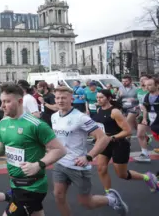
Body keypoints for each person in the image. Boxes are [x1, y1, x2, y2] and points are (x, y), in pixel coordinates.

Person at [0, 83, 67, 216]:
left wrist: (38, 165)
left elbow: (60, 150)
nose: (2, 106)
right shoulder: (3, 123)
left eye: (7, 101)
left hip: (32, 187)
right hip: (15, 184)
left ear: (20, 101)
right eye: (1, 101)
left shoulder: (36, 125)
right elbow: (1, 150)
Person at [51, 86, 128, 215]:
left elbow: (102, 138)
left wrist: (88, 156)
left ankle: (111, 199)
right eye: (57, 98)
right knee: (58, 196)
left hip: (78, 166)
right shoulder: (54, 116)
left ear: (71, 98)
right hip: (60, 163)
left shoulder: (81, 117)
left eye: (63, 98)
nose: (60, 101)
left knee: (86, 203)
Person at [94, 89, 158, 194]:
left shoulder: (115, 111)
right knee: (101, 168)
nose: (98, 99)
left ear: (109, 98)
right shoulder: (99, 110)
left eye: (101, 97)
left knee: (122, 174)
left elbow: (128, 131)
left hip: (119, 144)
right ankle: (109, 194)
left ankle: (147, 177)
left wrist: (112, 138)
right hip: (105, 143)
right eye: (97, 97)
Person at [135, 76, 154, 162]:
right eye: (141, 80)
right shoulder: (138, 90)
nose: (142, 81)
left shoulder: (154, 92)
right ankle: (145, 154)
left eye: (145, 79)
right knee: (140, 134)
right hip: (143, 114)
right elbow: (140, 103)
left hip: (154, 115)